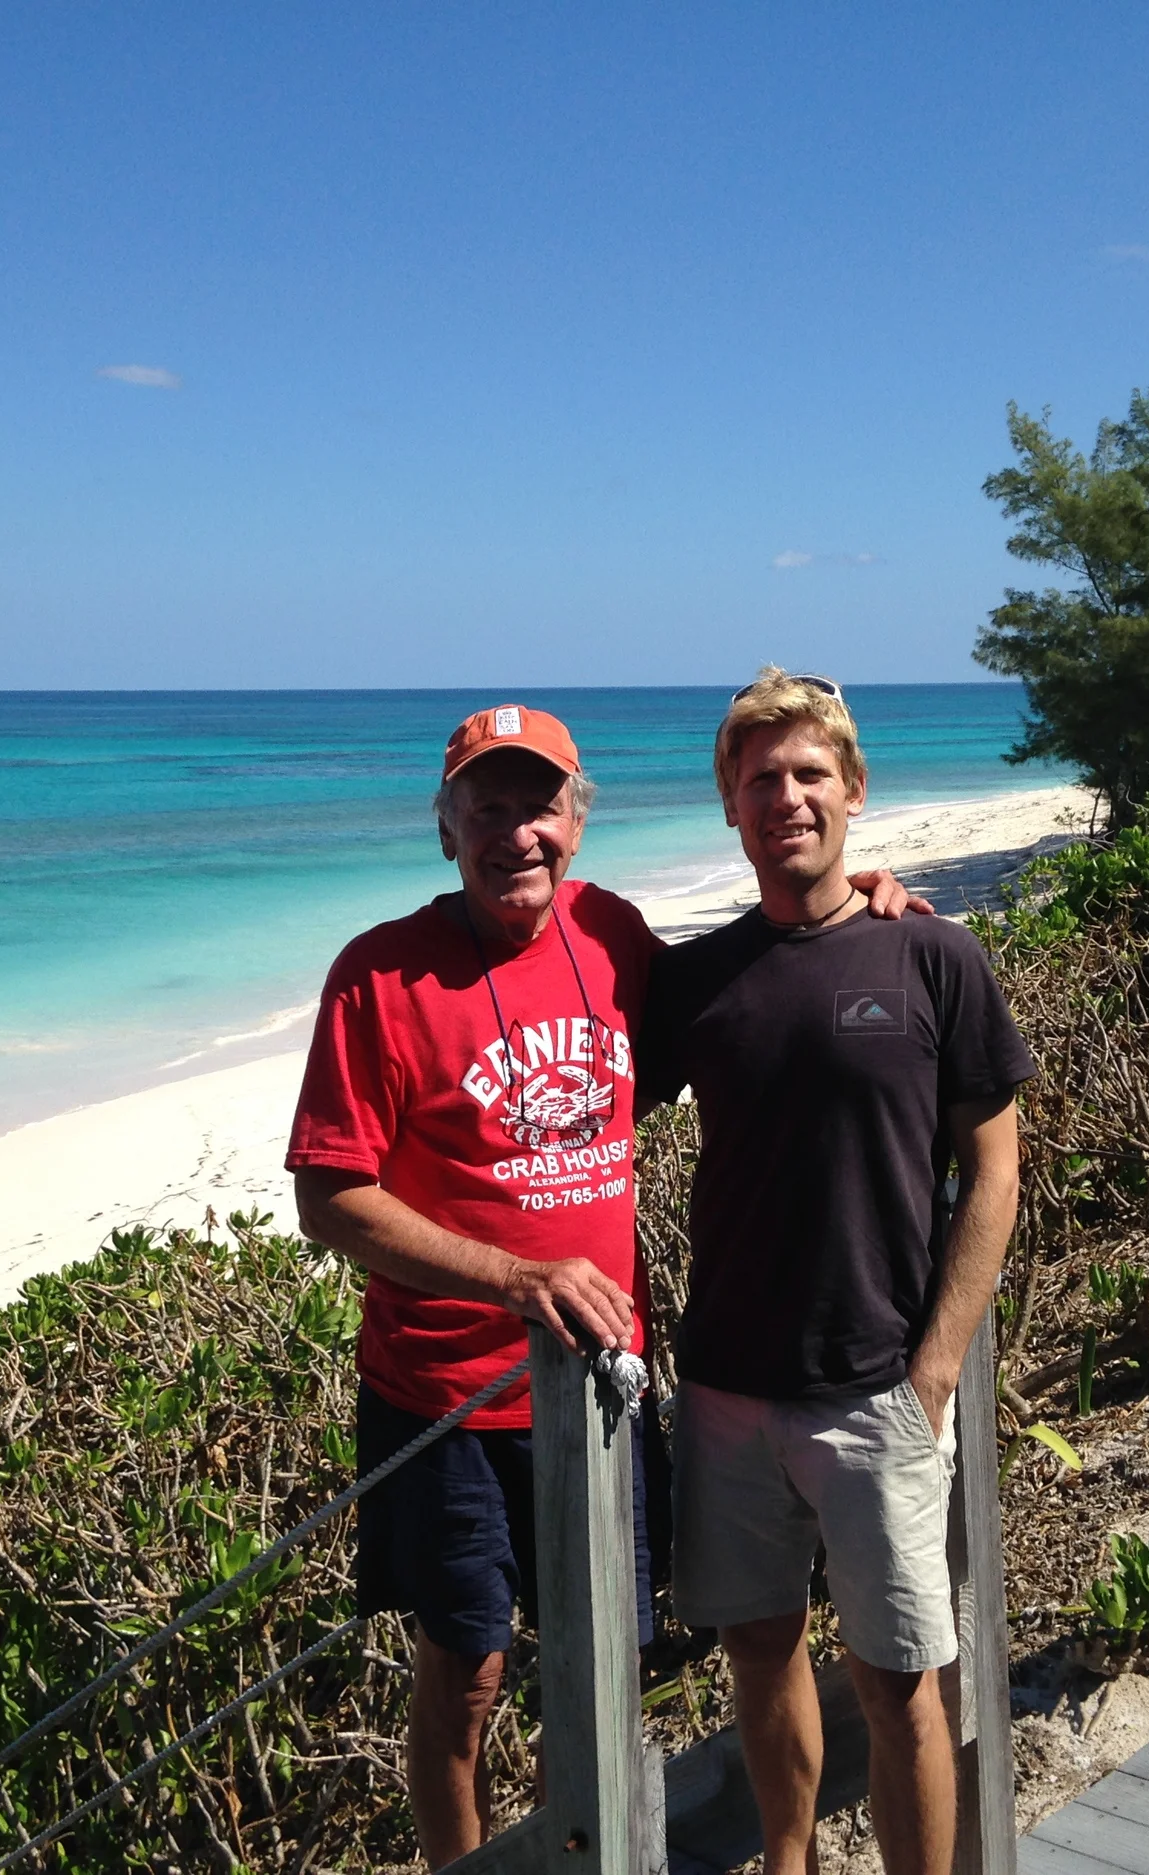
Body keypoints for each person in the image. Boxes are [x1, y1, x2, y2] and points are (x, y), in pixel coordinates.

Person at [287, 702, 920, 1866]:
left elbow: (747, 992)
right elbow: (330, 1200)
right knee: (466, 1673)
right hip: (446, 1402)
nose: (513, 833)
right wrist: (514, 1278)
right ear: (445, 830)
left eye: (537, 805)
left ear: (576, 823)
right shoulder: (377, 976)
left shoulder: (613, 937)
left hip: (602, 1397)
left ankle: (602, 1849)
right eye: (485, 807)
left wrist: (851, 910)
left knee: (608, 1663)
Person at [641, 671, 1034, 1875]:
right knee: (758, 1653)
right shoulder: (697, 981)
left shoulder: (931, 955)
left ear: (854, 792)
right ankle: (789, 1863)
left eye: (811, 775)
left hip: (878, 1392)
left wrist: (935, 1368)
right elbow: (572, 1118)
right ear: (729, 805)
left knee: (900, 1681)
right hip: (724, 1392)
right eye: (761, 780)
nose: (787, 798)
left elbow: (995, 1174)